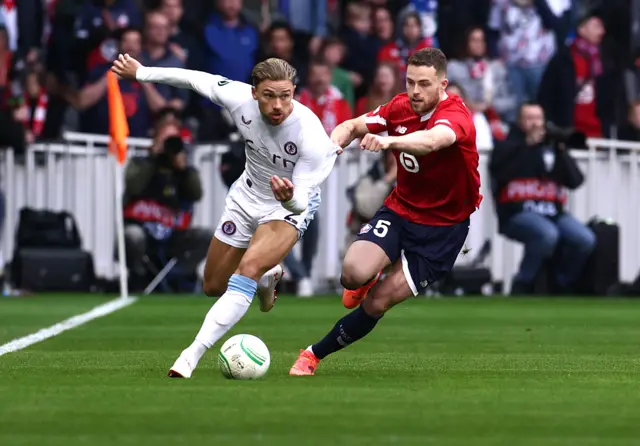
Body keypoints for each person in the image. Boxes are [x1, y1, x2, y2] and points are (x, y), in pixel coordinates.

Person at [111, 54, 338, 378]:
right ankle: (265, 277)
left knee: (244, 269)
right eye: (269, 95)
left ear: (293, 92)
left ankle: (191, 355)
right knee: (214, 284)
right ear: (254, 93)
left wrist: (289, 199)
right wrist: (142, 73)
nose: (278, 105)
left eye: (286, 95)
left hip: (287, 207)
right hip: (245, 196)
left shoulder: (311, 134)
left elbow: (302, 202)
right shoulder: (236, 97)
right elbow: (194, 78)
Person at [289, 48, 481, 376]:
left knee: (378, 302)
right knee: (351, 274)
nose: (416, 91)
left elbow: (434, 140)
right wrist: (333, 146)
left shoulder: (456, 116)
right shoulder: (399, 107)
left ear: (442, 85)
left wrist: (389, 142)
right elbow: (351, 126)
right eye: (410, 82)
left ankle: (312, 355)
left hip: (443, 231)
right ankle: (369, 274)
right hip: (401, 210)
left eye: (424, 84)